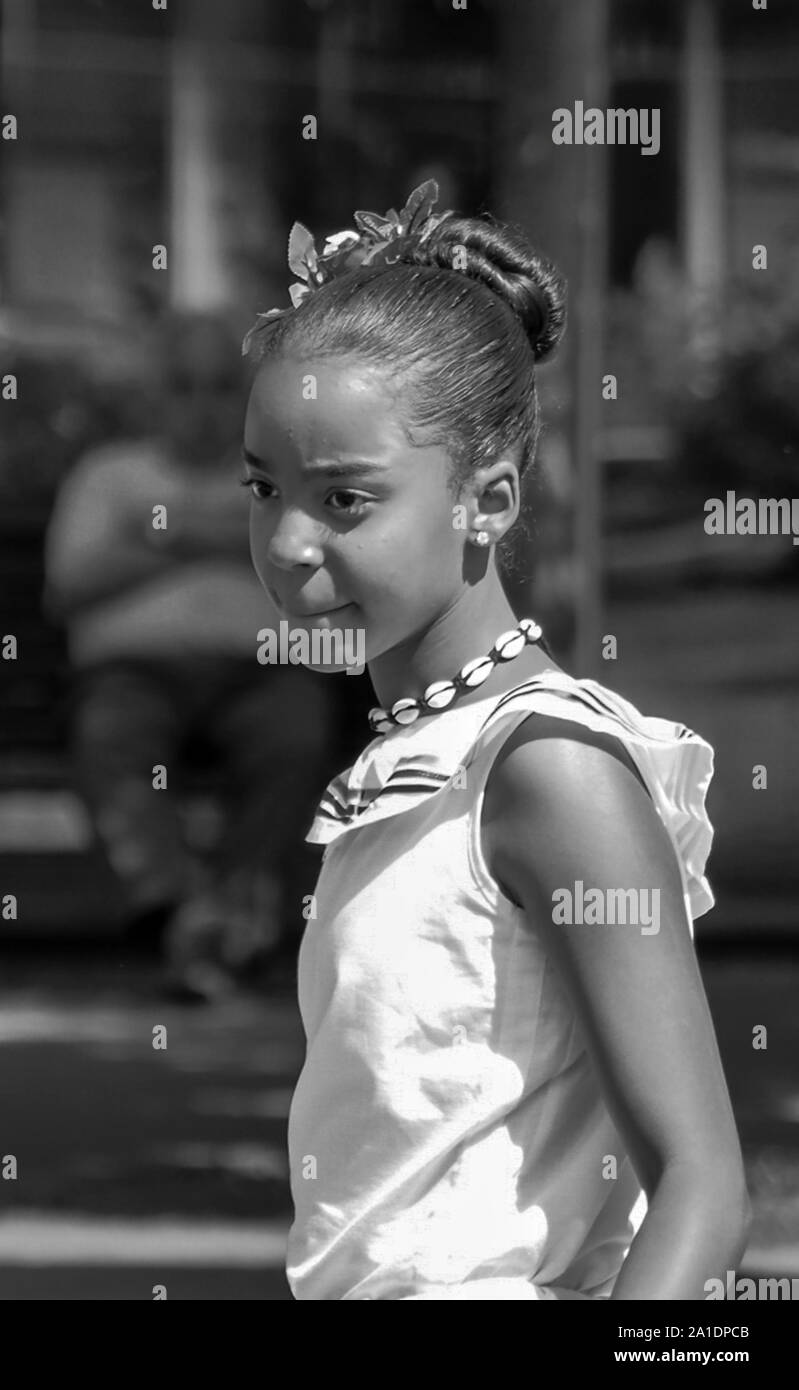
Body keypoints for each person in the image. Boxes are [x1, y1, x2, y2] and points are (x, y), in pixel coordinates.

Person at [238, 181, 750, 1299]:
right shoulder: (416, 758)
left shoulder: (548, 769)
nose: (287, 542)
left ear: (492, 500)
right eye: (264, 486)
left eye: (345, 499)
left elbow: (702, 1189)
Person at [43, 311, 337, 1001]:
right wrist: (211, 537)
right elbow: (68, 587)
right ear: (155, 396)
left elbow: (313, 576)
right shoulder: (108, 476)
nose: (201, 407)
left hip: (263, 671)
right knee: (110, 737)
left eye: (217, 387)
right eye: (183, 386)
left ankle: (230, 919)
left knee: (297, 735)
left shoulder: (282, 477)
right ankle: (182, 908)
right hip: (131, 674)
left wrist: (159, 534)